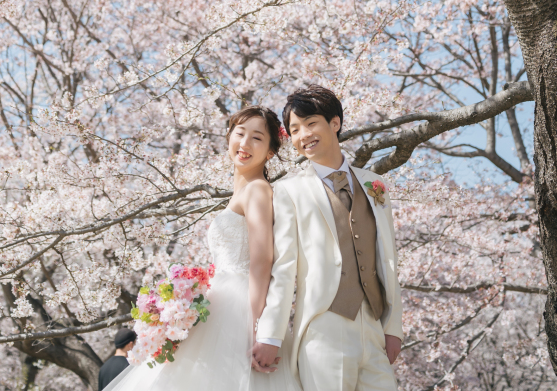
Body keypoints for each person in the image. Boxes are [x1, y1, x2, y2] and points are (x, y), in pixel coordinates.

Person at [102, 106, 300, 391]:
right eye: (239, 133)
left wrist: (259, 327)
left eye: (257, 138)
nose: (244, 143)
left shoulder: (258, 189)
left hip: (241, 308)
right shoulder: (243, 191)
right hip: (221, 300)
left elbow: (262, 260)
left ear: (270, 152)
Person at [252, 85, 403, 391]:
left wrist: (394, 328)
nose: (303, 135)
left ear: (335, 123)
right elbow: (283, 269)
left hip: (375, 326)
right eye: (294, 130)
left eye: (310, 124)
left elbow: (389, 257)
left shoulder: (375, 185)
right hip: (324, 329)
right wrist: (270, 335)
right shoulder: (289, 192)